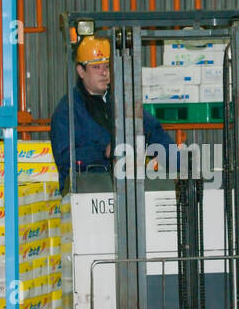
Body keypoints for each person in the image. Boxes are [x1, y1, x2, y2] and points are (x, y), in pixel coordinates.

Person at [49, 35, 174, 193]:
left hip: (124, 191)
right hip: (85, 192)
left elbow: (154, 133)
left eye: (106, 66)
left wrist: (183, 166)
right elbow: (65, 159)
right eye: (96, 67)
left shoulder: (123, 103)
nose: (104, 73)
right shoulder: (67, 111)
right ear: (81, 71)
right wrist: (103, 151)